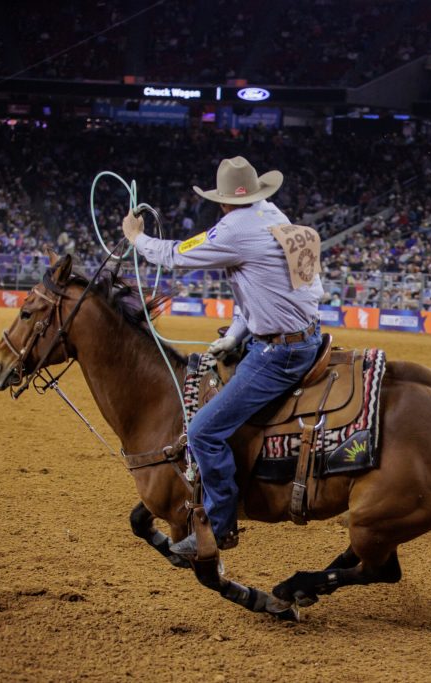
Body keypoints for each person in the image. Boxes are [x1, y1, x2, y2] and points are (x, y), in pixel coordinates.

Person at [122, 156, 324, 555]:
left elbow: (179, 254)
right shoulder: (273, 214)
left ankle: (219, 524)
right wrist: (234, 335)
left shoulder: (235, 228)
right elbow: (262, 287)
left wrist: (136, 239)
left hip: (279, 350)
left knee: (202, 431)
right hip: (302, 334)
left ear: (223, 201)